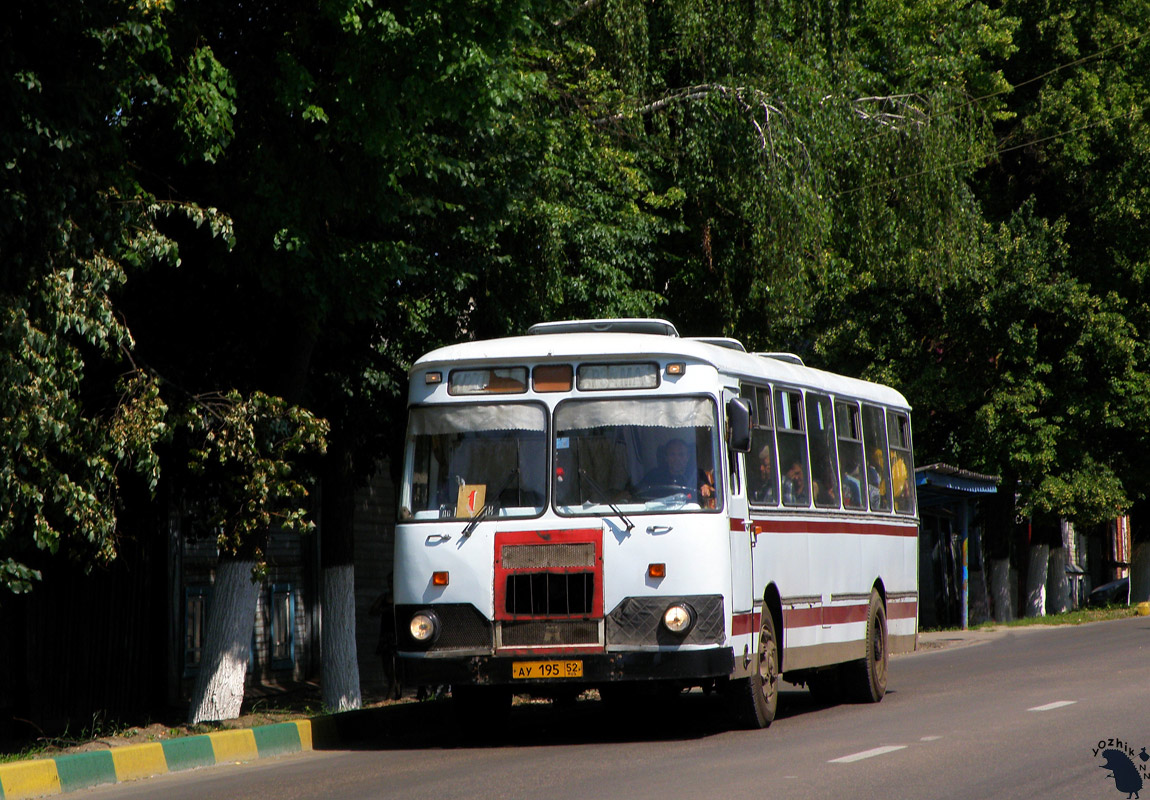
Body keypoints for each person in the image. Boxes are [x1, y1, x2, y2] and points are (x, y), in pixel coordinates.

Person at [641, 437, 714, 505]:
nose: (677, 459)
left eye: (681, 455)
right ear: (666, 457)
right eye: (672, 455)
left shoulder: (698, 474)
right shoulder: (654, 475)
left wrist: (706, 488)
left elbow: (709, 491)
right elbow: (639, 492)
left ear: (687, 457)